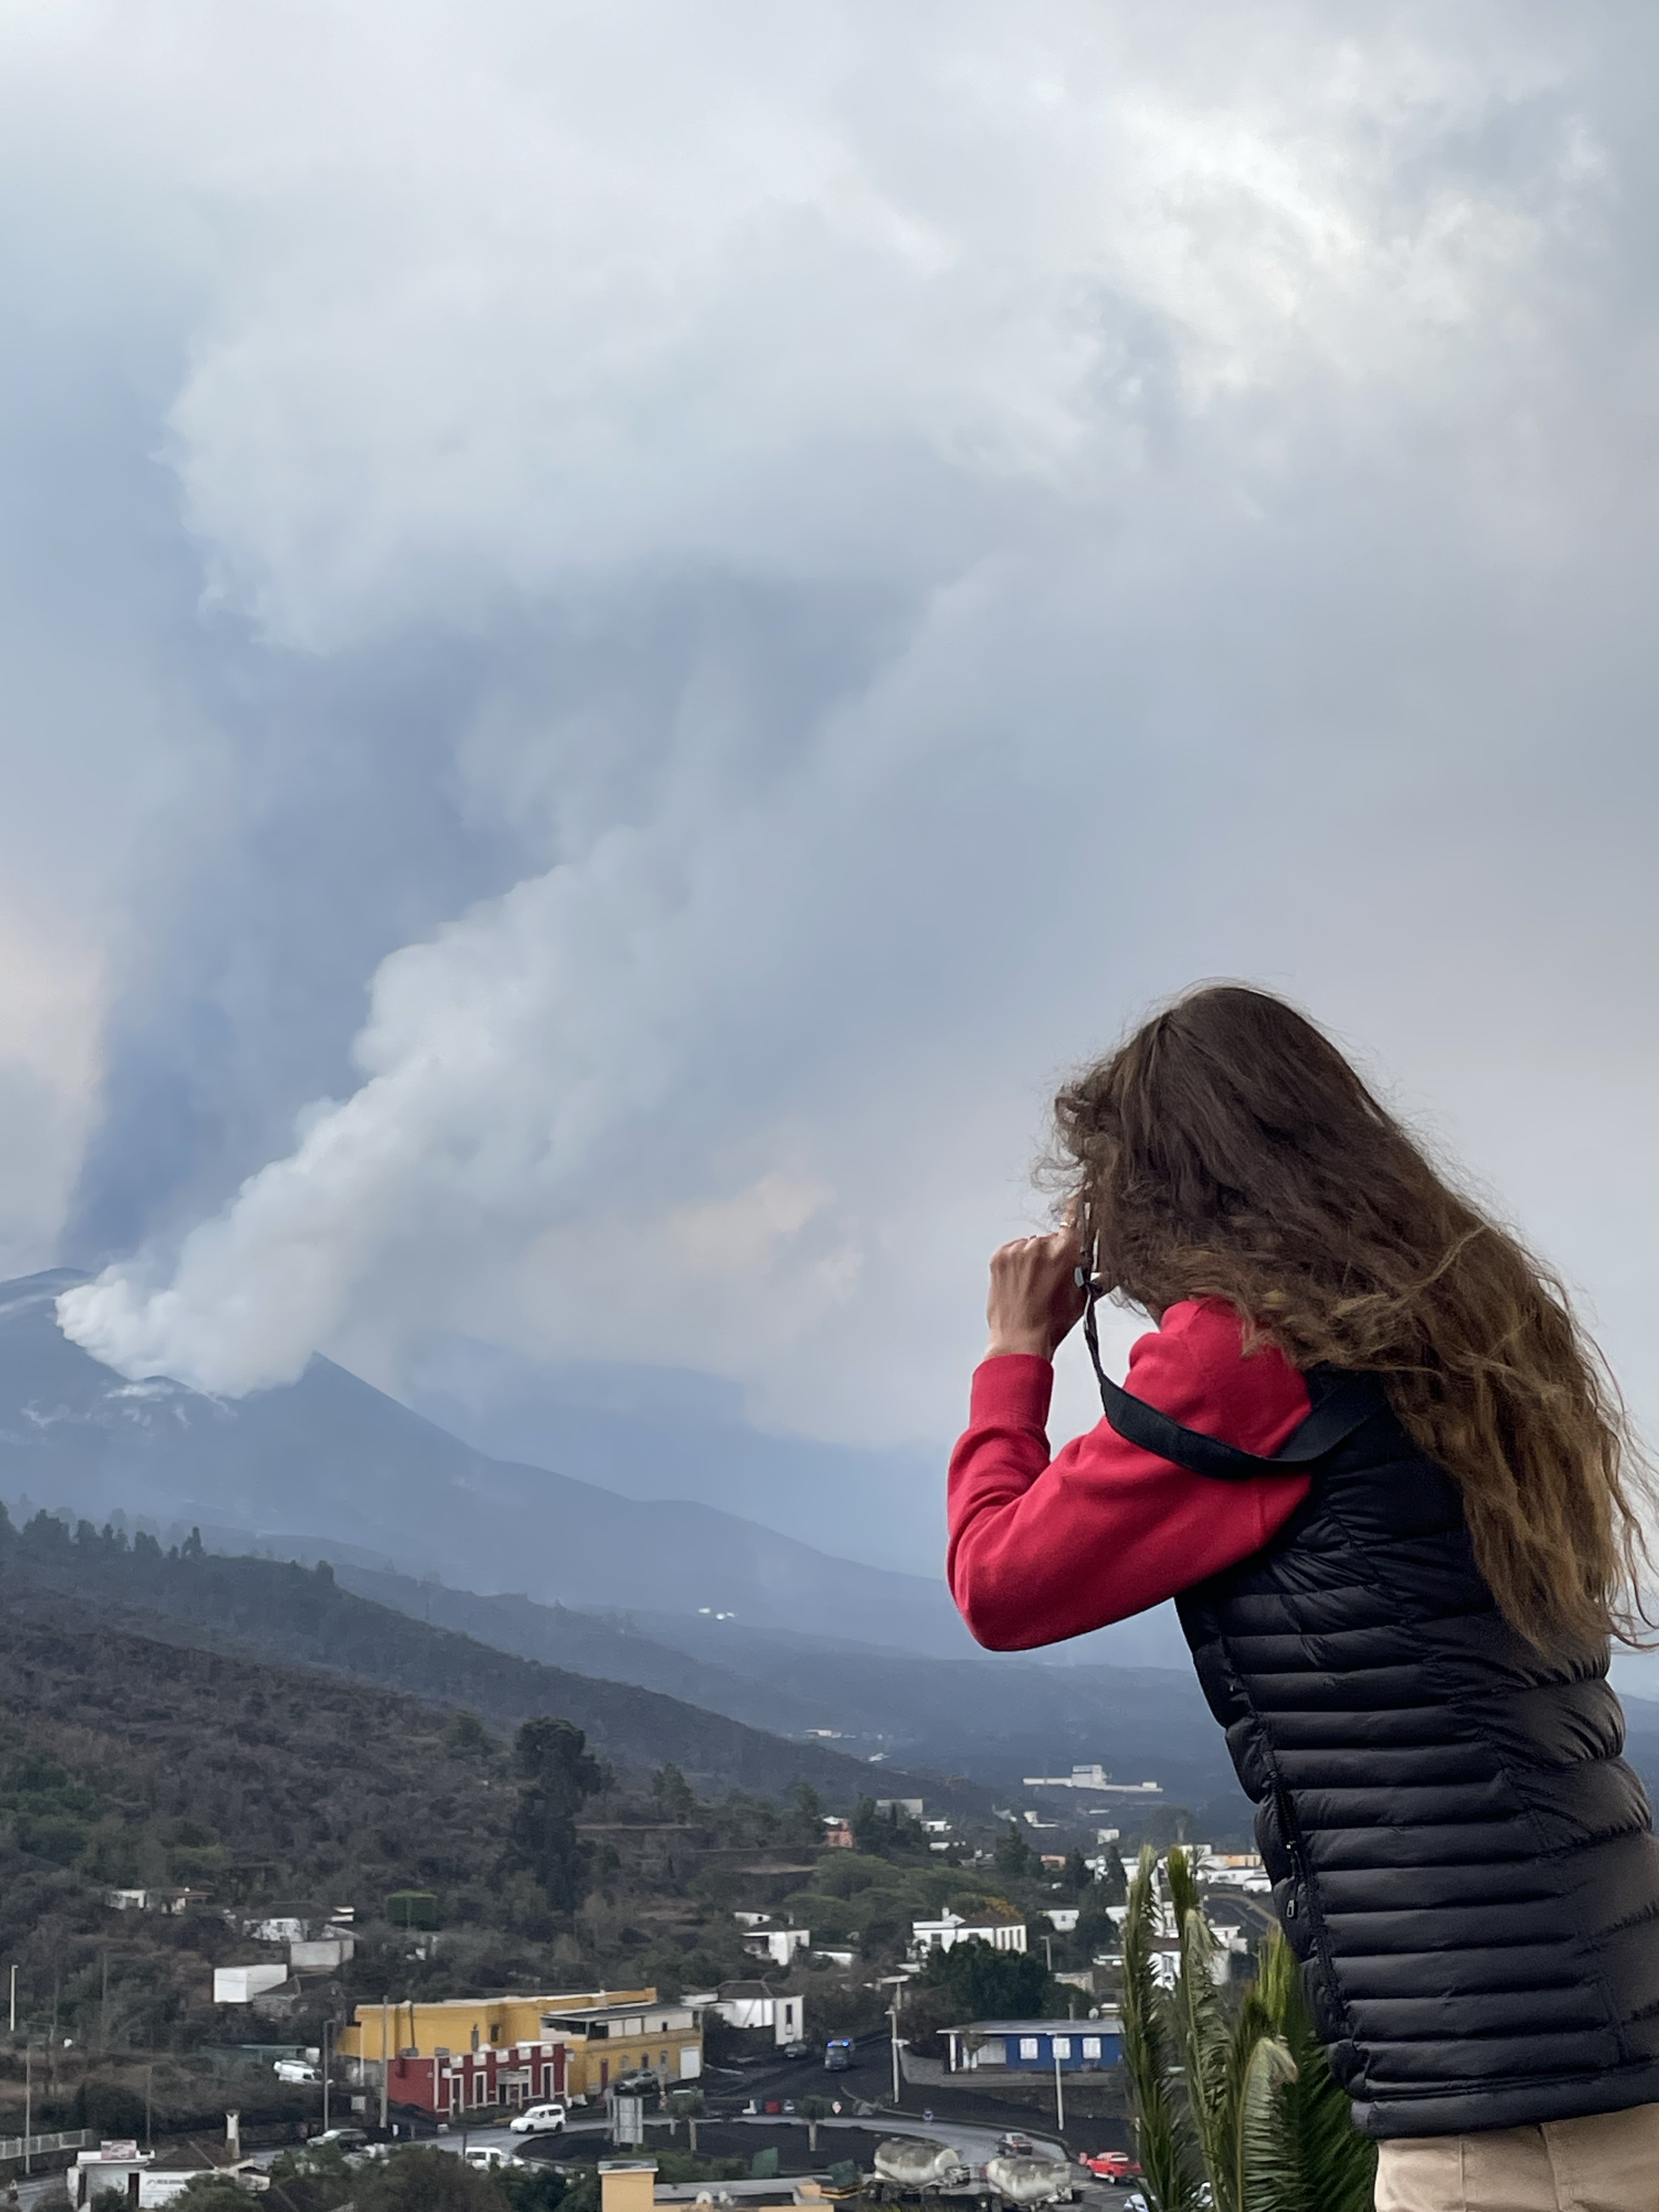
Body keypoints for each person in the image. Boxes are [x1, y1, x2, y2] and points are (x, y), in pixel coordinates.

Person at [947, 985, 1659, 2212]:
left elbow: (1002, 1584)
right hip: (1617, 2012)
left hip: (1494, 2096)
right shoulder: (1467, 1329)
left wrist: (1017, 1358)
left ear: (1163, 1187)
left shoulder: (1248, 1358)